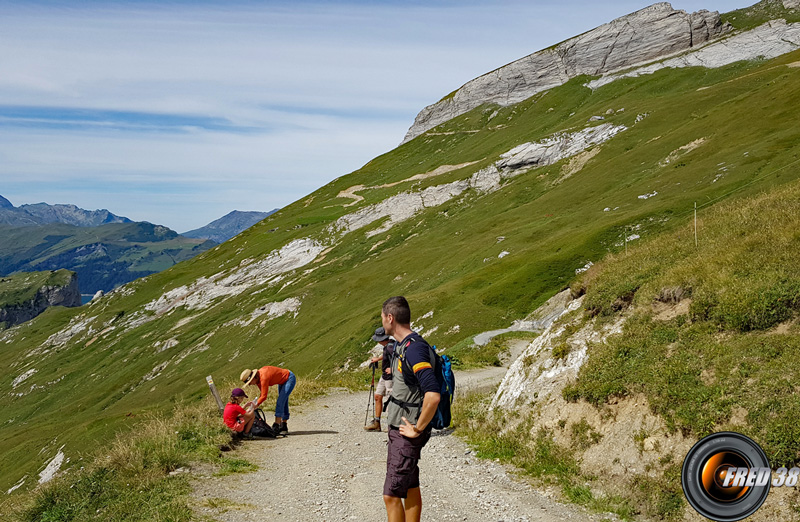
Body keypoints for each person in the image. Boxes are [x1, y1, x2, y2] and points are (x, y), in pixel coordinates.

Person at [380, 296, 441, 522]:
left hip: (406, 432)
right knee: (410, 485)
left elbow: (433, 395)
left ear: (390, 318)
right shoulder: (403, 345)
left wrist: (417, 429)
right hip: (402, 429)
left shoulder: (414, 350)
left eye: (382, 317)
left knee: (391, 494)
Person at [240, 365, 296, 435]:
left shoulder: (263, 377)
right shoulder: (258, 379)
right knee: (283, 401)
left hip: (289, 378)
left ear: (253, 378)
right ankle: (284, 426)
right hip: (283, 381)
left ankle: (277, 425)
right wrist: (255, 404)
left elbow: (264, 396)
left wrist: (255, 405)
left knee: (280, 401)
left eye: (250, 382)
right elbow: (262, 394)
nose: (250, 385)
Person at [365, 326, 395, 432]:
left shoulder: (390, 346)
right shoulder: (388, 345)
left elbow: (399, 358)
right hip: (384, 376)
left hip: (391, 377)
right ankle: (377, 423)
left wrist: (393, 369)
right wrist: (378, 358)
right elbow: (386, 355)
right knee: (378, 396)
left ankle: (392, 425)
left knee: (392, 400)